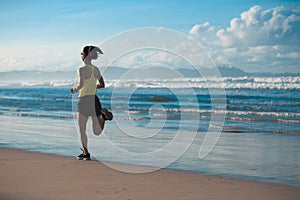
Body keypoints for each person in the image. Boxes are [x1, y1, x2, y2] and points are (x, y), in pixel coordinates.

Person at [71, 45, 111, 160]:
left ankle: (86, 153)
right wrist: (93, 87)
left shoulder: (81, 69)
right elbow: (102, 84)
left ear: (83, 56)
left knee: (82, 129)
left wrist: (75, 90)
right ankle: (103, 118)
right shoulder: (96, 69)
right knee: (97, 131)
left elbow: (81, 84)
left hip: (84, 100)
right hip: (94, 100)